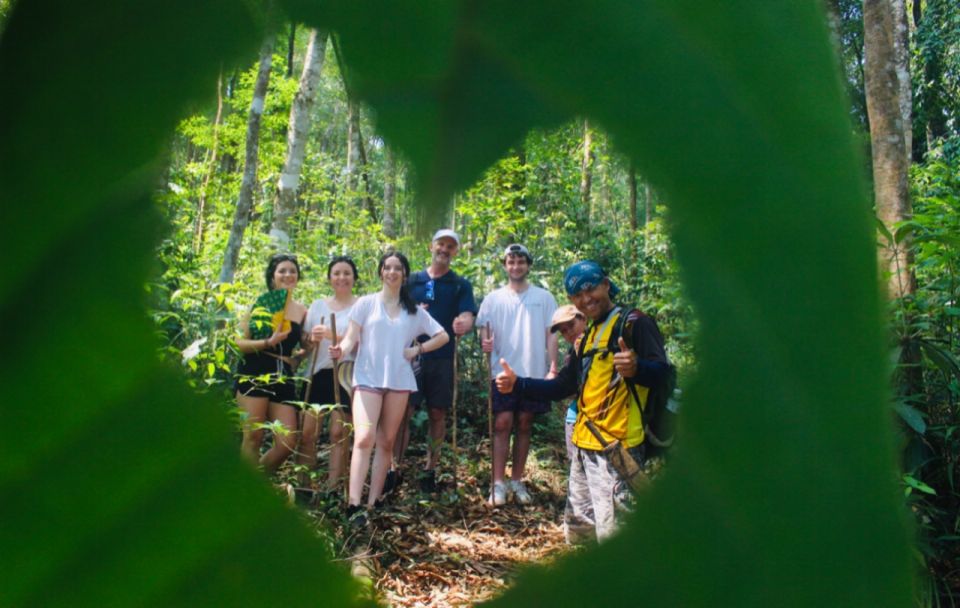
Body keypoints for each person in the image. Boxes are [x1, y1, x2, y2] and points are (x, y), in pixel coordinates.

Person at [496, 260, 668, 542]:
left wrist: (638, 369)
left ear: (606, 284)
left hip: (617, 447)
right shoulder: (588, 335)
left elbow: (664, 375)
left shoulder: (634, 323)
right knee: (580, 530)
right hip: (583, 444)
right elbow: (564, 385)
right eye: (577, 295)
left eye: (591, 289)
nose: (586, 299)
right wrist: (519, 385)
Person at [330, 251, 449, 523]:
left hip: (398, 380)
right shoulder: (365, 304)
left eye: (398, 268)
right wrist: (341, 349)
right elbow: (351, 339)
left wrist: (418, 349)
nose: (392, 272)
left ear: (404, 274)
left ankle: (373, 503)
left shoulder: (414, 310)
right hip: (367, 377)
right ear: (381, 272)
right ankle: (353, 503)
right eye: (387, 267)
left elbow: (443, 335)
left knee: (386, 442)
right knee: (363, 439)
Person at [395, 228, 476, 493]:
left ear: (456, 252)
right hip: (410, 355)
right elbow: (392, 310)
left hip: (442, 357)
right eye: (441, 244)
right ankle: (393, 466)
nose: (444, 249)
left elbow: (467, 315)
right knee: (403, 412)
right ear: (431, 247)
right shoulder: (411, 280)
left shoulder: (460, 284)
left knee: (437, 412)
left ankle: (431, 468)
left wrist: (463, 322)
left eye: (450, 246)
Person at [477, 244, 558, 506]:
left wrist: (553, 367)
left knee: (524, 423)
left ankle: (517, 479)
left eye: (521, 261)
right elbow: (484, 333)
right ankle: (498, 483)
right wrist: (485, 343)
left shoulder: (544, 298)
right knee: (502, 423)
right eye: (511, 262)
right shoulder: (493, 299)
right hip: (502, 371)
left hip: (532, 371)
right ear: (505, 265)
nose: (516, 266)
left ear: (528, 265)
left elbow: (551, 334)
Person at [234, 253, 308, 473]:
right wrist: (267, 342)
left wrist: (307, 349)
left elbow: (300, 347)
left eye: (292, 271)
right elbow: (239, 341)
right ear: (272, 276)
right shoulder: (260, 303)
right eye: (282, 271)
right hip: (254, 369)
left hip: (283, 374)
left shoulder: (302, 310)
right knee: (253, 436)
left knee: (287, 442)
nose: (288, 275)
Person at [301, 256, 359, 494]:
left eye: (347, 273)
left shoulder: (361, 305)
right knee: (307, 431)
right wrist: (311, 339)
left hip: (345, 373)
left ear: (354, 278)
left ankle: (333, 489)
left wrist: (331, 335)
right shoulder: (317, 306)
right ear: (329, 278)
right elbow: (305, 343)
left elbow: (361, 343)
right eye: (337, 273)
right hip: (317, 372)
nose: (342, 278)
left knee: (339, 432)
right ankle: (304, 486)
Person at [549, 304, 587, 463]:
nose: (568, 332)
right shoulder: (573, 351)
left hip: (597, 421)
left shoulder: (599, 343)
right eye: (563, 331)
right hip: (575, 415)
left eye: (571, 325)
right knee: (576, 466)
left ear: (583, 319)